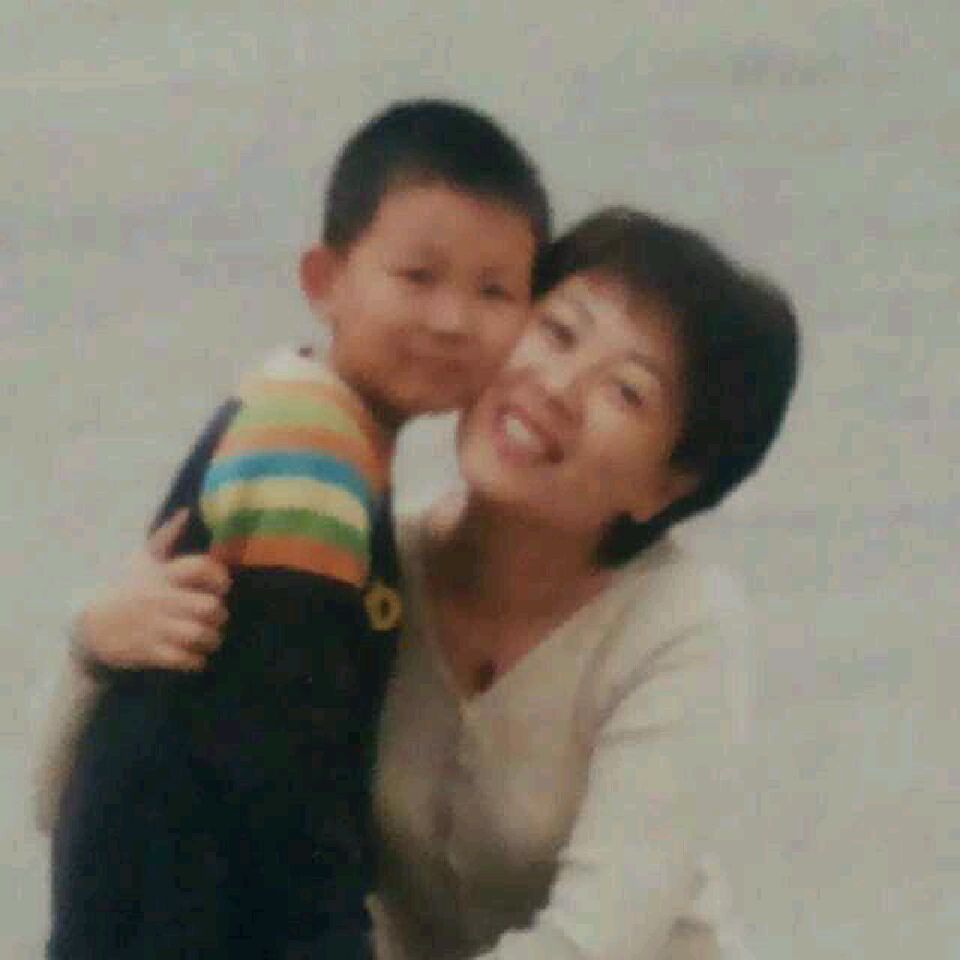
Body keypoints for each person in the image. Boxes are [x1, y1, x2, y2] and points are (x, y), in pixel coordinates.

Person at [38, 207, 800, 959]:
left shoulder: (678, 623)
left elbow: (593, 942)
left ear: (667, 487)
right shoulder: (350, 557)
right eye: (557, 332)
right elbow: (74, 808)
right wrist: (96, 648)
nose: (557, 387)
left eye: (626, 392)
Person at [46, 98, 548, 960]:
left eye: (494, 291)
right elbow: (281, 757)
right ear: (324, 281)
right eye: (417, 277)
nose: (451, 318)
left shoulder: (307, 420)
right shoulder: (309, 446)